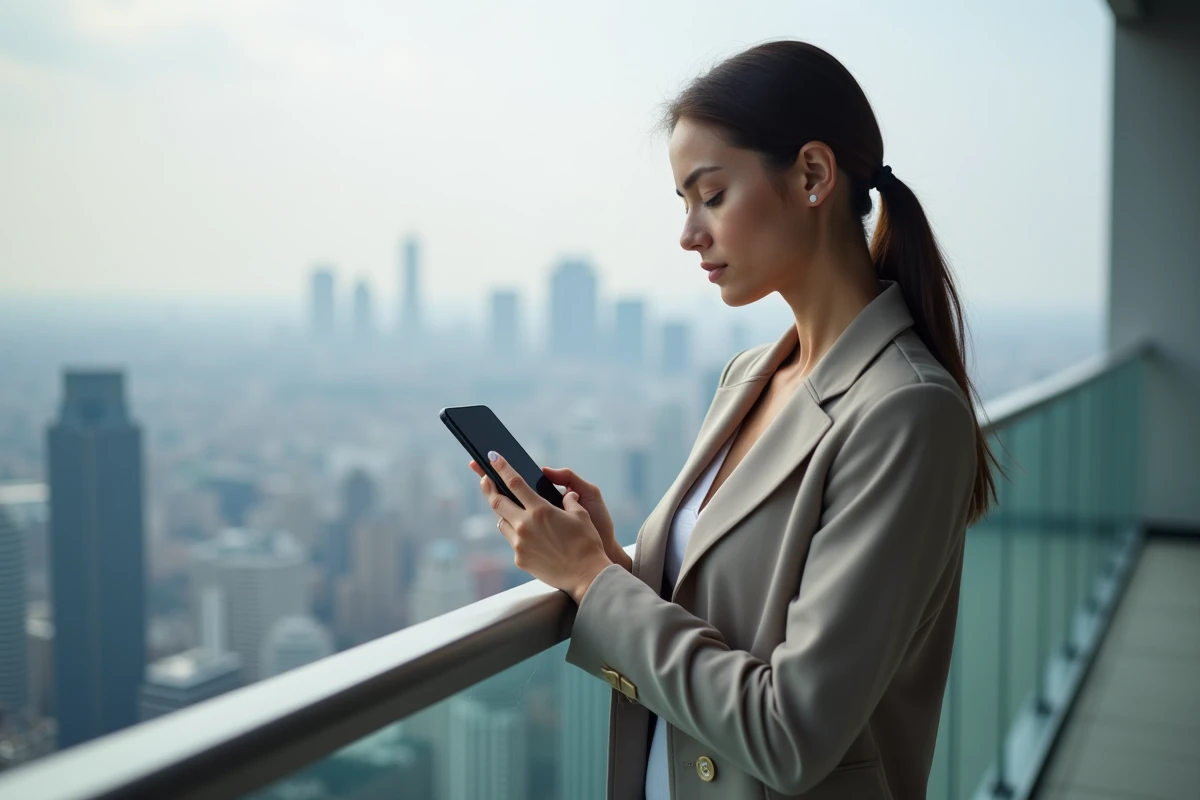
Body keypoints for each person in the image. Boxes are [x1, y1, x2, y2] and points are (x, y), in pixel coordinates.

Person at [469, 39, 998, 800]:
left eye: (711, 195)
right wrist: (610, 563)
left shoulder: (906, 412)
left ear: (812, 175)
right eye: (684, 205)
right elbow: (722, 620)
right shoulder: (749, 376)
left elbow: (791, 733)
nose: (690, 234)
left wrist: (591, 581)